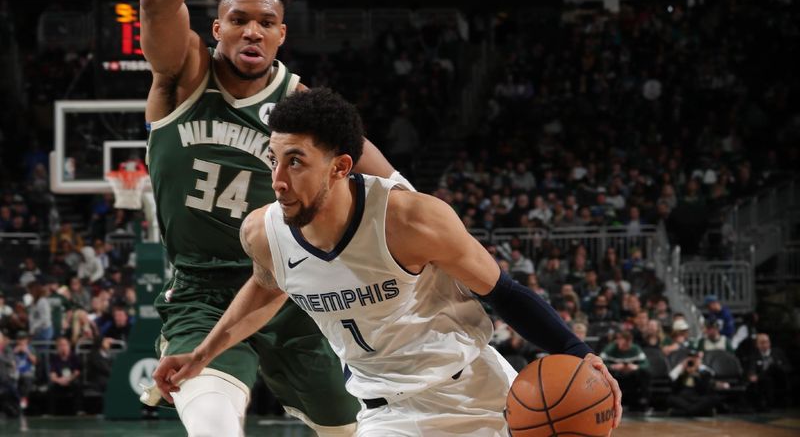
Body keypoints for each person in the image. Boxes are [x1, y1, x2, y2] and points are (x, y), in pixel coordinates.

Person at [153, 88, 622, 436]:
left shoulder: (412, 219)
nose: (276, 179)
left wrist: (580, 353)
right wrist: (201, 354)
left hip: (478, 394)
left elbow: (503, 292)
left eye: (295, 162)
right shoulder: (263, 232)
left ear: (339, 167)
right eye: (272, 159)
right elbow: (266, 288)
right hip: (387, 415)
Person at [140, 0, 409, 435]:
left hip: (289, 286)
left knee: (345, 429)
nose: (252, 30)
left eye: (265, 22)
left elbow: (388, 180)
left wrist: (439, 236)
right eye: (238, 19)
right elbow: (157, 2)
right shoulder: (182, 76)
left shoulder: (301, 104)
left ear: (282, 35)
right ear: (217, 28)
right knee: (212, 423)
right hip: (202, 290)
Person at [666, 346, 723, 416]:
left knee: (714, 398)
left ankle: (679, 413)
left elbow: (704, 390)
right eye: (691, 357)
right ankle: (703, 412)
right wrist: (684, 373)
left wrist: (696, 374)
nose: (693, 360)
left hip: (698, 397)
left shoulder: (705, 371)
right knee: (671, 399)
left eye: (695, 358)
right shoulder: (681, 369)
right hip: (684, 397)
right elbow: (674, 389)